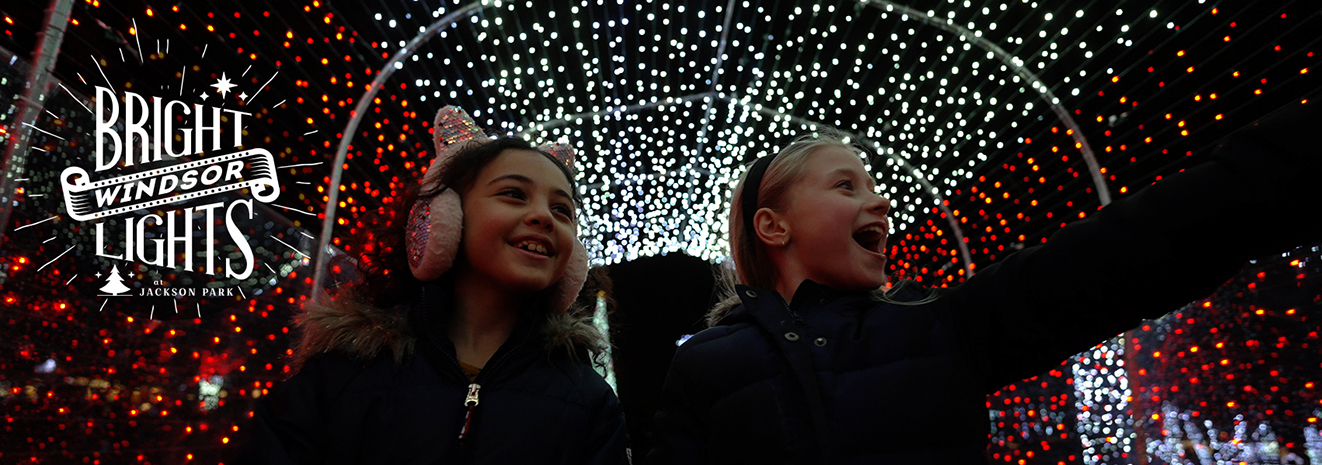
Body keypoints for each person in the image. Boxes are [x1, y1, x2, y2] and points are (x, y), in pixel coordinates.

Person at [648, 98, 1321, 464]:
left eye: (878, 186)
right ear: (774, 226)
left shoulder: (940, 325)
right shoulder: (704, 365)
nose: (881, 203)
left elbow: (1141, 246)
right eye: (845, 185)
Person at [235, 107, 629, 464]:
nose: (543, 216)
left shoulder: (589, 403)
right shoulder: (339, 378)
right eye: (513, 194)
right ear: (442, 218)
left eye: (562, 209)